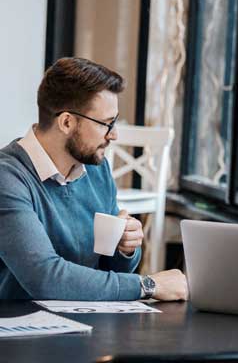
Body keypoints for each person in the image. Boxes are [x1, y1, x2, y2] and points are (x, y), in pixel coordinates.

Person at [0, 57, 188, 301]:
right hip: (22, 330)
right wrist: (148, 285)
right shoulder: (8, 177)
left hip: (84, 321)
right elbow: (45, 278)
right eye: (106, 124)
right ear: (67, 122)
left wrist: (125, 249)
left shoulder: (96, 170)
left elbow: (108, 271)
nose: (115, 135)